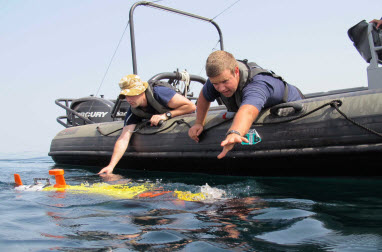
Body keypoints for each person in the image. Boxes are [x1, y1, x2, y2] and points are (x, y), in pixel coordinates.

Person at [188, 50, 303, 159]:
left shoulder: (257, 84)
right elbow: (204, 96)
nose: (221, 88)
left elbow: (247, 111)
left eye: (225, 81)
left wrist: (234, 132)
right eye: (215, 84)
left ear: (236, 71)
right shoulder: (217, 79)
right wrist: (199, 123)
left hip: (294, 107)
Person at [98, 74, 196, 174]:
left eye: (132, 94)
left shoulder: (159, 93)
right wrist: (111, 166)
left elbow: (191, 106)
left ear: (141, 91)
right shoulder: (133, 111)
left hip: (184, 122)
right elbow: (124, 138)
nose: (128, 99)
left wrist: (165, 115)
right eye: (126, 96)